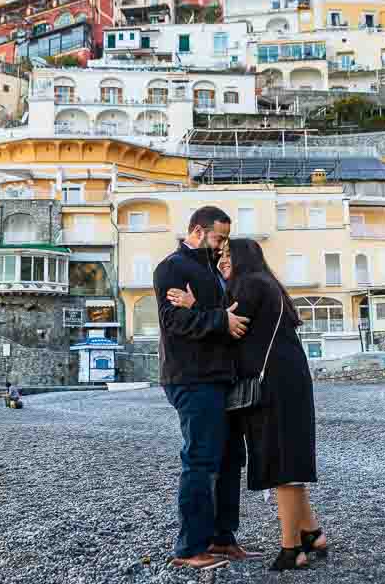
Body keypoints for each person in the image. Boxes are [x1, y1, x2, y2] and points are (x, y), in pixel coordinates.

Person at [168, 238, 326, 571]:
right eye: (220, 256)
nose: (222, 261)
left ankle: (291, 549)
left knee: (282, 464)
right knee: (289, 460)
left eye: (227, 256)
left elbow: (231, 328)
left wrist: (193, 307)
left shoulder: (250, 285)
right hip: (288, 381)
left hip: (275, 386)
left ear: (243, 257)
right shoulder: (267, 284)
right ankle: (312, 533)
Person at [153, 206, 253, 571]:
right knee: (200, 460)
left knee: (229, 460)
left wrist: (211, 310)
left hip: (220, 377)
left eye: (225, 239)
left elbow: (228, 313)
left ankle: (222, 539)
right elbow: (173, 320)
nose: (223, 245)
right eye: (218, 238)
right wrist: (218, 318)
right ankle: (189, 547)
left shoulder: (212, 270)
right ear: (197, 231)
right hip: (191, 377)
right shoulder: (172, 268)